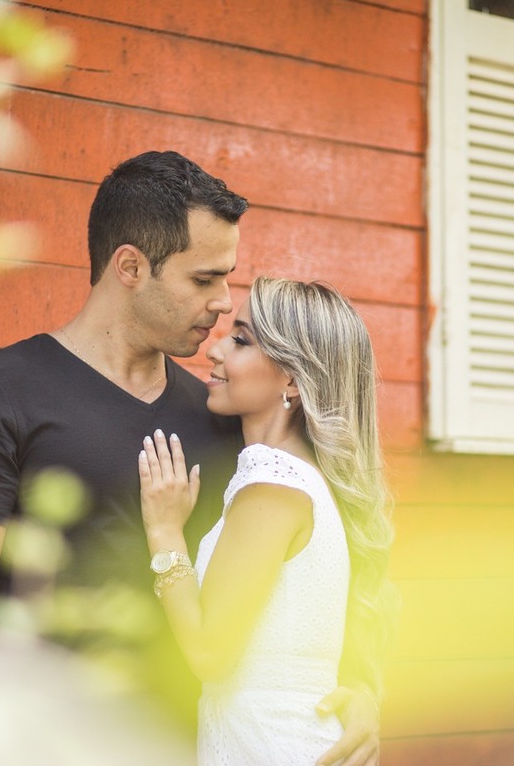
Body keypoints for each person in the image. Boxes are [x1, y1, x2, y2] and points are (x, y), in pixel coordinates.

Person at [0, 152, 380, 764]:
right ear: (130, 266)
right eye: (203, 280)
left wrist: (357, 687)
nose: (223, 302)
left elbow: (309, 568)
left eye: (227, 278)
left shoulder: (229, 420)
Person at [139, 277, 395, 766]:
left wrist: (165, 533)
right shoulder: (300, 479)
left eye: (240, 340)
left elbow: (209, 655)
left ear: (293, 381)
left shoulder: (272, 486)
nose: (214, 350)